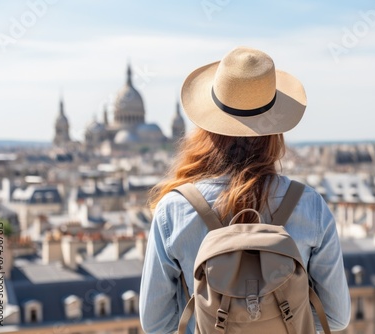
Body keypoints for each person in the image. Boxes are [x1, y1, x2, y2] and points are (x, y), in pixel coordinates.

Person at [139, 46, 351, 333]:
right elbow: (336, 317)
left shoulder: (174, 210)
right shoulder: (309, 205)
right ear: (275, 130)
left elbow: (156, 324)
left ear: (207, 128)